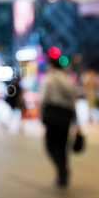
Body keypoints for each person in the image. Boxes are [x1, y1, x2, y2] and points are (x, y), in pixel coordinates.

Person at [39, 59, 77, 188]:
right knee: (62, 145)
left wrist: (42, 116)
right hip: (66, 115)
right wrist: (75, 119)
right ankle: (63, 172)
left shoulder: (48, 79)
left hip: (53, 114)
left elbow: (43, 99)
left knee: (50, 145)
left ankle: (62, 170)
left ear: (51, 66)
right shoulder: (68, 80)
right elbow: (73, 101)